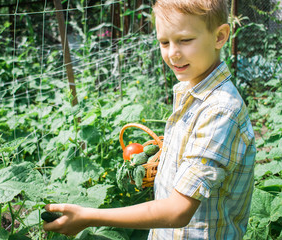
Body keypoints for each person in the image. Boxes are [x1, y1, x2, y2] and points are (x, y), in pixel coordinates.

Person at [43, 0, 256, 239]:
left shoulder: (220, 110)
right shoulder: (191, 90)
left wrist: (90, 216)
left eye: (185, 40)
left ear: (219, 37)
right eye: (164, 42)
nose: (173, 53)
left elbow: (178, 212)